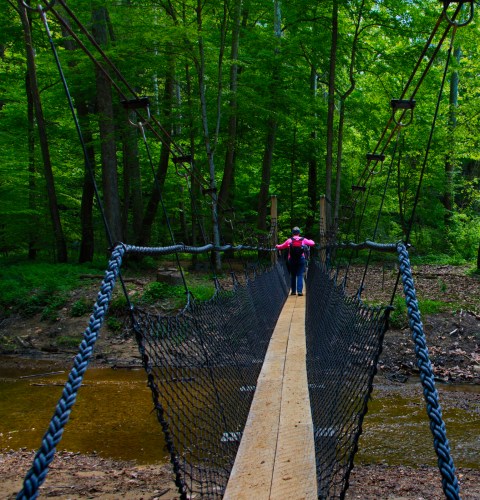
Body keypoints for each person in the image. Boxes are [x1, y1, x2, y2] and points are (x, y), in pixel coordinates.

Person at [276, 227, 315, 296]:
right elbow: (312, 243)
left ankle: (293, 291)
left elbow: (281, 246)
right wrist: (311, 240)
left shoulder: (289, 240)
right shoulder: (303, 239)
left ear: (292, 233)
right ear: (299, 233)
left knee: (293, 275)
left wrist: (277, 246)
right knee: (300, 275)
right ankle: (299, 291)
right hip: (301, 259)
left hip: (292, 259)